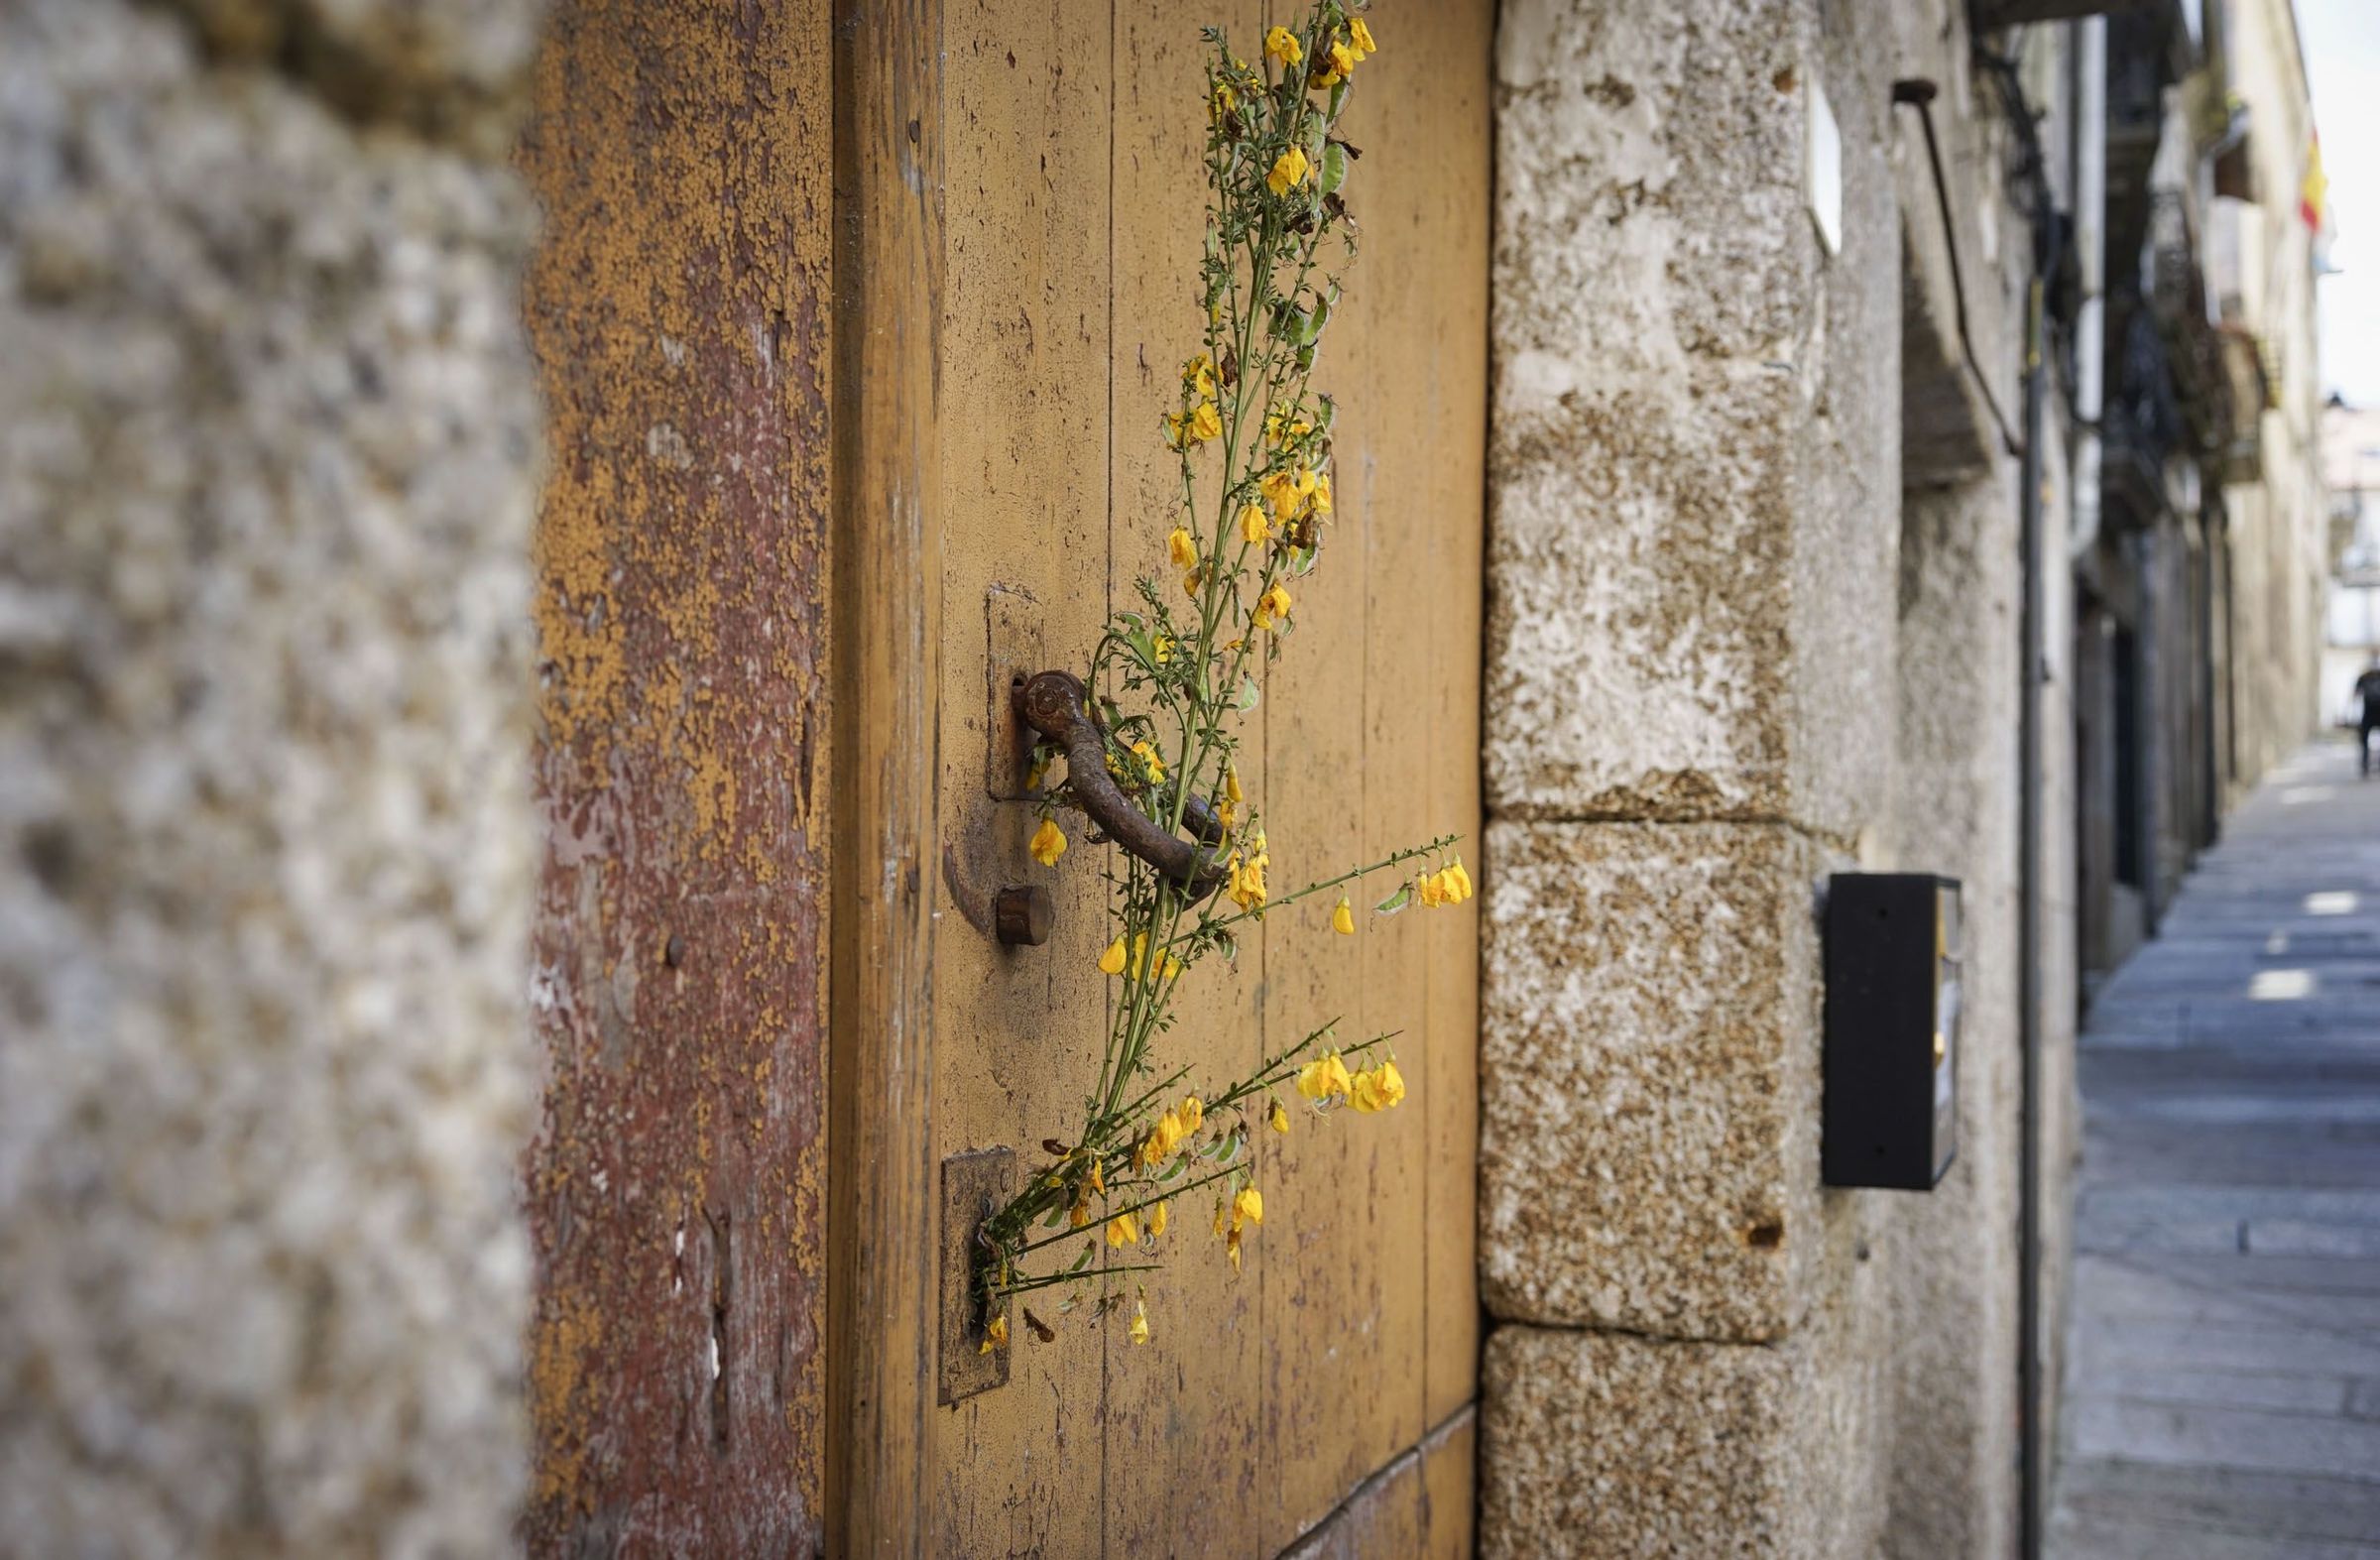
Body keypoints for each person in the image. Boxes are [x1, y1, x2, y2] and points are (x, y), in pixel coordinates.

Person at [2357, 656, 2380, 777]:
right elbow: (2356, 694)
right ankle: (2365, 765)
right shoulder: (2363, 677)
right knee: (2364, 740)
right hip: (2368, 713)